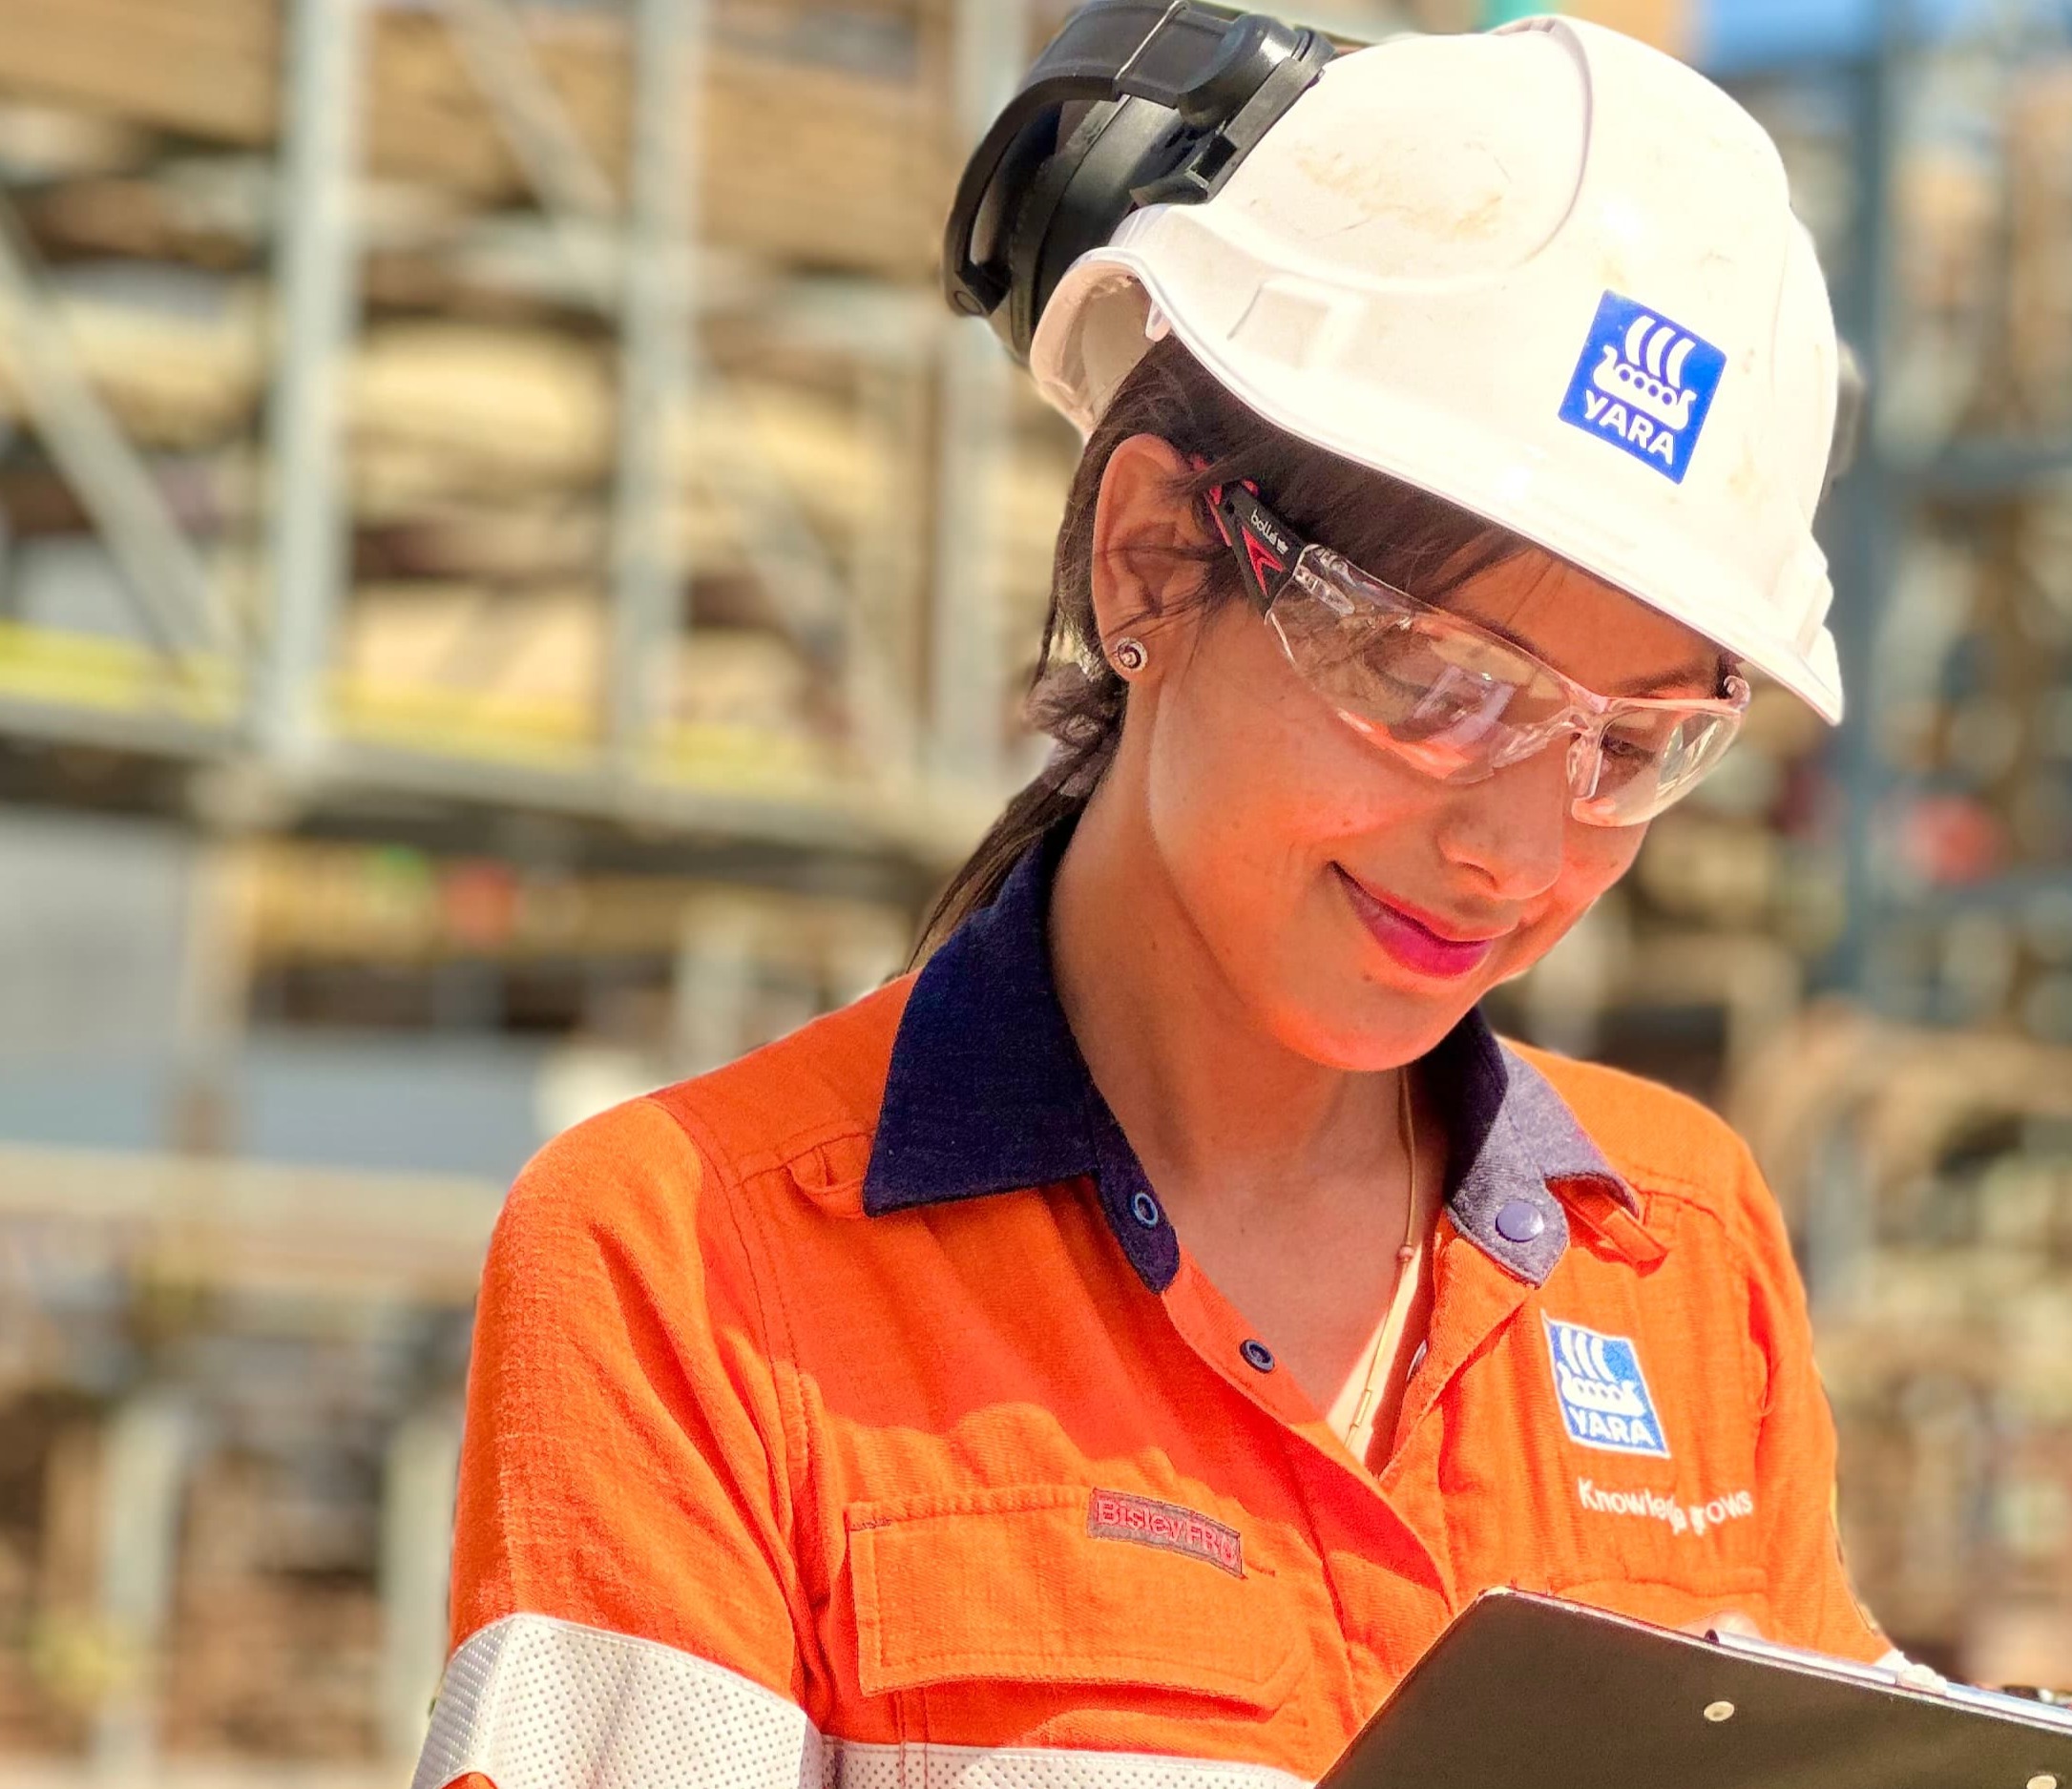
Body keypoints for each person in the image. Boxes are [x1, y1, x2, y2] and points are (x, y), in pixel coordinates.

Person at [412, 10, 1880, 1787]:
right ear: (1153, 556)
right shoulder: (691, 1262)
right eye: (1436, 681)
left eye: (1629, 744)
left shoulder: (1674, 1243)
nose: (1515, 847)